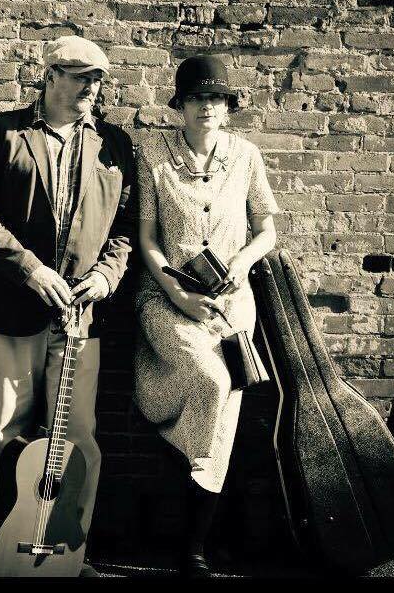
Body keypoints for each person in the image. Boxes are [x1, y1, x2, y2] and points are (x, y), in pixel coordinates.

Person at [0, 35, 135, 576]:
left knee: (80, 437)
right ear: (50, 74)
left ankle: (71, 549)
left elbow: (126, 226)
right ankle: (4, 549)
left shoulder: (114, 144)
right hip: (13, 311)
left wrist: (107, 274)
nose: (91, 89)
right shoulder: (1, 132)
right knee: (7, 434)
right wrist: (31, 269)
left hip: (82, 315)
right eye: (80, 77)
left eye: (98, 79)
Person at [133, 55, 279, 577]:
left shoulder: (247, 156)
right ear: (181, 105)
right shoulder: (154, 152)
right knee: (212, 385)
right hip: (166, 297)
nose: (207, 108)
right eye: (197, 99)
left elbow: (267, 229)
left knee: (226, 414)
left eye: (216, 100)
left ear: (228, 107)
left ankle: (192, 546)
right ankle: (188, 511)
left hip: (231, 305)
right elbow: (147, 237)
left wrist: (241, 262)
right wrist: (174, 291)